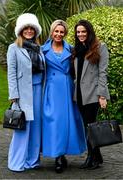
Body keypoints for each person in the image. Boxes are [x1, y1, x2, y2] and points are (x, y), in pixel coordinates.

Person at [42, 20, 87, 173]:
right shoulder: (42, 50)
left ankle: (62, 155)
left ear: (65, 33)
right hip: (52, 90)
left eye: (62, 32)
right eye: (56, 31)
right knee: (54, 121)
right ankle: (58, 156)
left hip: (68, 89)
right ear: (52, 31)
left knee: (68, 122)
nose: (59, 34)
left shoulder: (72, 49)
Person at [7, 13, 45, 171]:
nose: (29, 31)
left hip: (38, 91)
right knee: (22, 127)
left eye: (32, 28)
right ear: (20, 30)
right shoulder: (13, 48)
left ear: (35, 31)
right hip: (22, 93)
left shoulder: (39, 48)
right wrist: (14, 95)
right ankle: (17, 163)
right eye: (26, 28)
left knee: (36, 127)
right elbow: (11, 72)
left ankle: (32, 161)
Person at [73, 19, 110, 170]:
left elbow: (103, 73)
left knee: (90, 126)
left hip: (93, 94)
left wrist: (102, 96)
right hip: (79, 94)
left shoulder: (100, 47)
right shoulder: (77, 49)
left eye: (83, 31)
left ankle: (91, 158)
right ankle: (97, 156)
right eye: (78, 32)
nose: (81, 34)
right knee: (87, 126)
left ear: (89, 32)